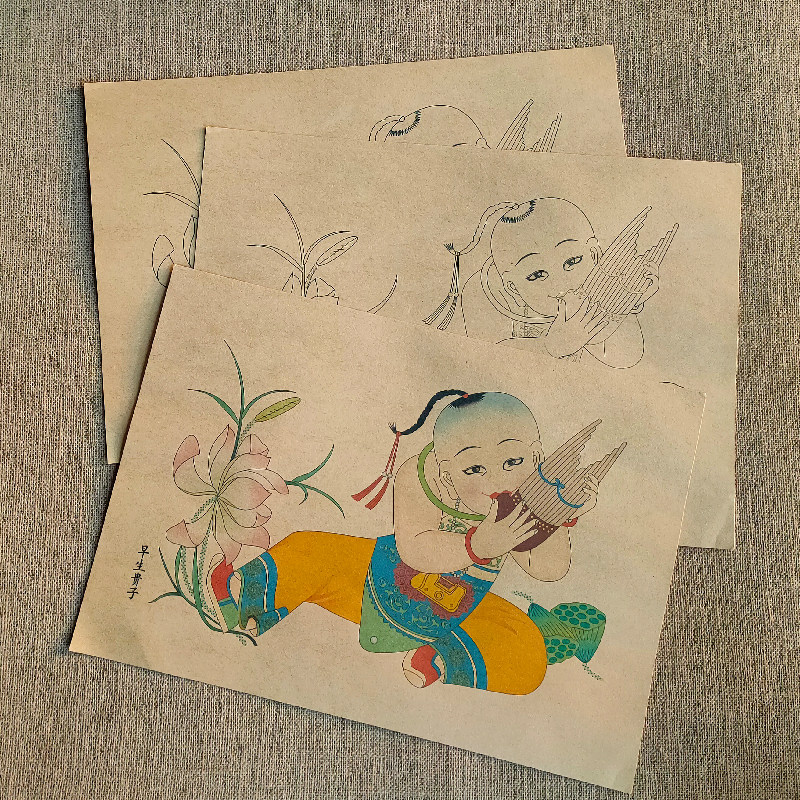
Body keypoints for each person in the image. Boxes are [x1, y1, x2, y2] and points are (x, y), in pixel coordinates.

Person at [208, 391, 605, 695]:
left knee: (528, 650)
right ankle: (243, 597)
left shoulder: (527, 494)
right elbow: (415, 548)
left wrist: (561, 514)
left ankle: (441, 659)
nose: (497, 480)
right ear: (446, 471)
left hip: (459, 615)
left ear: (536, 457)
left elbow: (546, 570)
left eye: (513, 463)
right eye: (474, 468)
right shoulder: (420, 478)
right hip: (378, 584)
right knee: (308, 549)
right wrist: (477, 546)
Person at [458, 198, 656, 368]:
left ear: (595, 255)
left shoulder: (598, 300)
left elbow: (626, 358)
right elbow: (485, 365)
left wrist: (626, 303)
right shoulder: (485, 296)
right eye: (537, 275)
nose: (561, 285)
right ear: (513, 288)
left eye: (572, 262)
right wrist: (552, 346)